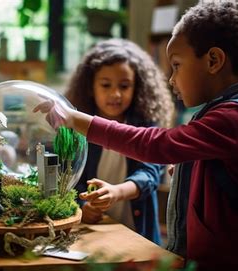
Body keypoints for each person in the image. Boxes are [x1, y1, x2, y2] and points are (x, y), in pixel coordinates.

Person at [35, 2, 238, 270]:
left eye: (177, 65)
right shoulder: (223, 115)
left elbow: (156, 146)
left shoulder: (232, 118)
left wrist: (75, 118)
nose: (171, 80)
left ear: (213, 61)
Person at [64, 38, 174, 245]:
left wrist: (116, 192)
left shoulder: (146, 127)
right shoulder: (77, 129)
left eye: (124, 86)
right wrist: (81, 206)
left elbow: (150, 175)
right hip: (94, 234)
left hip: (138, 235)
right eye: (106, 85)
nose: (115, 94)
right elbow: (69, 180)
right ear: (90, 87)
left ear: (137, 88)